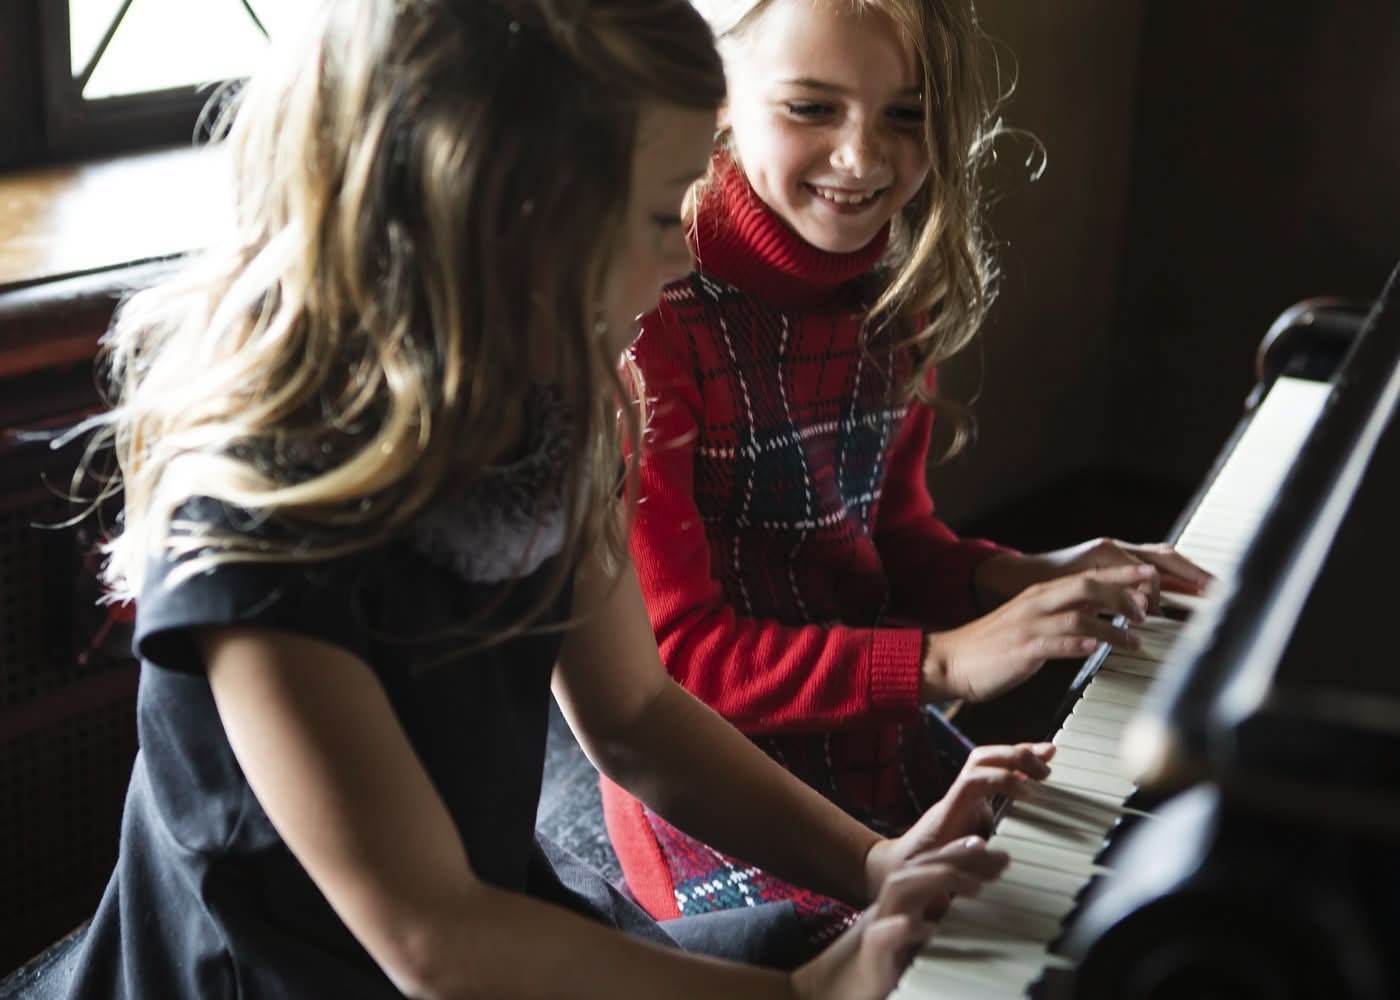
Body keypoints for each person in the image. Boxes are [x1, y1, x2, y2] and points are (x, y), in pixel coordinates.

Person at [21, 1, 1069, 997]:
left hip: (489, 927)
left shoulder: (563, 404)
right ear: (509, 218)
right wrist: (795, 994)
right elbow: (429, 937)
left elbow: (636, 716)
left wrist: (876, 862)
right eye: (664, 213)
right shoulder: (251, 523)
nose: (684, 252)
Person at [601, 0, 1213, 934]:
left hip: (868, 742)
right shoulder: (654, 316)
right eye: (812, 108)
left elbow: (887, 539)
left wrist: (1025, 576)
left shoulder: (893, 285)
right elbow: (677, 667)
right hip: (713, 798)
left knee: (1111, 891)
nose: (863, 158)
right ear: (717, 99)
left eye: (906, 114)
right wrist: (945, 663)